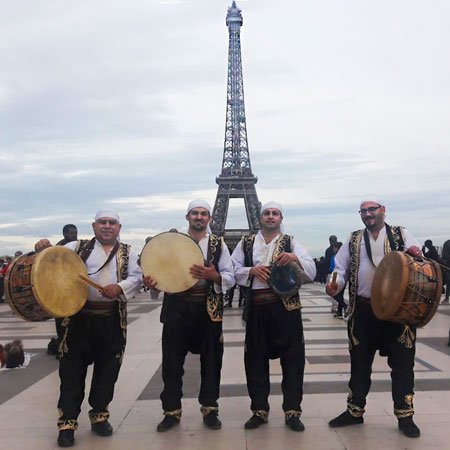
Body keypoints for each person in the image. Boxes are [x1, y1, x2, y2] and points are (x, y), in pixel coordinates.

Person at [35, 210, 142, 447]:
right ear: (93, 227)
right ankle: (67, 424)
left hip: (111, 320)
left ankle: (99, 416)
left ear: (119, 227)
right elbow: (52, 261)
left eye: (111, 223)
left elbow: (137, 277)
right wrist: (42, 248)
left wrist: (120, 287)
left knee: (107, 371)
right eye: (102, 223)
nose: (106, 226)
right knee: (71, 373)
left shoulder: (128, 251)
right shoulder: (75, 247)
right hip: (77, 321)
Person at [326, 197, 423, 438]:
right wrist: (333, 285)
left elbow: (419, 262)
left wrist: (415, 254)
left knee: (402, 364)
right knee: (359, 363)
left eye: (372, 209)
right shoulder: (354, 238)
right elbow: (340, 267)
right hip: (364, 310)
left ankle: (405, 415)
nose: (367, 214)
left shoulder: (401, 234)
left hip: (397, 311)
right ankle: (355, 411)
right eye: (363, 211)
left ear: (383, 211)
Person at [143, 200, 235, 432]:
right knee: (172, 363)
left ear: (209, 219)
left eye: (204, 214)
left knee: (212, 362)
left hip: (207, 310)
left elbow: (230, 275)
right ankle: (171, 411)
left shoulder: (218, 244)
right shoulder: (173, 243)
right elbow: (160, 272)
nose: (199, 217)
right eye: (195, 213)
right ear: (187, 217)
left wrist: (214, 275)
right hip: (177, 309)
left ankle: (210, 409)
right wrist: (153, 283)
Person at [231, 201, 316, 432]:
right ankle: (259, 410)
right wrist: (251, 270)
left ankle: (292, 411)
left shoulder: (291, 242)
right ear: (260, 217)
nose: (270, 217)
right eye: (267, 213)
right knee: (255, 360)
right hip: (258, 308)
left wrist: (295, 259)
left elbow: (311, 271)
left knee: (293, 361)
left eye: (274, 213)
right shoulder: (247, 243)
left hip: (286, 309)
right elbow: (231, 269)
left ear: (281, 218)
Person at [48, 224, 79, 358]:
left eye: (75, 233)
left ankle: (75, 347)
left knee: (76, 321)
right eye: (71, 233)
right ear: (64, 234)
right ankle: (62, 348)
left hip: (74, 291)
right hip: (59, 292)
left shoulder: (80, 247)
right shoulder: (57, 249)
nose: (74, 236)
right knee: (61, 323)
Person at [329, 242, 347, 318]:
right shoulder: (344, 256)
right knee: (340, 295)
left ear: (337, 248)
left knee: (334, 293)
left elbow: (334, 267)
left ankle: (345, 305)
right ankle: (339, 312)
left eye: (334, 248)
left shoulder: (336, 256)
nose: (333, 249)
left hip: (336, 277)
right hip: (344, 277)